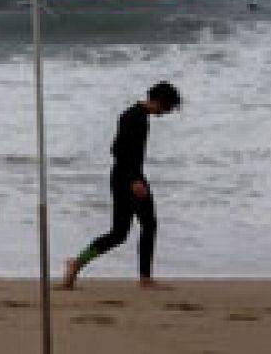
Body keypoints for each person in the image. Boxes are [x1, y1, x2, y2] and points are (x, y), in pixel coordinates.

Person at [61, 81, 182, 290]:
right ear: (159, 101)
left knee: (127, 231)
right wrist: (134, 179)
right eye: (168, 107)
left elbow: (121, 150)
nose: (167, 112)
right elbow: (118, 150)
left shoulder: (137, 115)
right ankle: (81, 263)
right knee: (132, 230)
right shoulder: (134, 117)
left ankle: (79, 263)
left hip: (126, 176)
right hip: (127, 178)